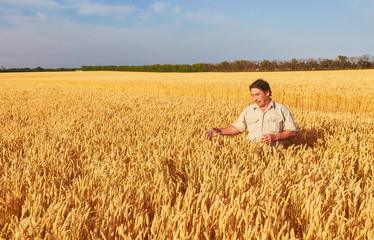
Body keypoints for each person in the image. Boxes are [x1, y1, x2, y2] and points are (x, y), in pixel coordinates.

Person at [205, 79, 298, 148]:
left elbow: (292, 131)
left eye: (257, 95)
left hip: (274, 156)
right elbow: (237, 127)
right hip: (251, 155)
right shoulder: (249, 110)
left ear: (267, 93)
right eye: (252, 95)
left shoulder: (281, 110)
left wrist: (276, 137)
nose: (255, 99)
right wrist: (220, 131)